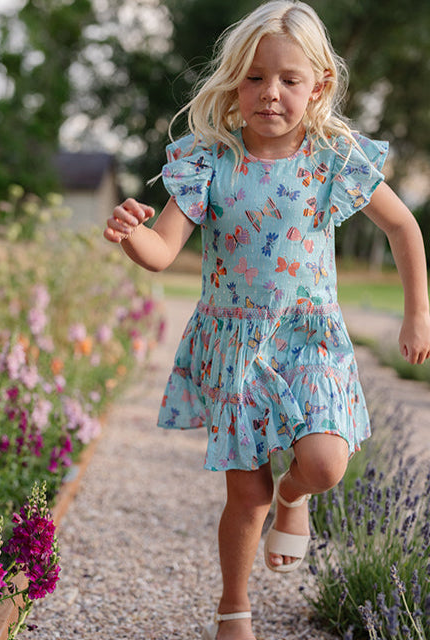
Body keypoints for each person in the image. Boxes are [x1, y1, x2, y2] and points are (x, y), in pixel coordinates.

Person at [104, 1, 430, 638]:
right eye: (253, 78)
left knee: (326, 463)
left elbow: (402, 226)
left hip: (311, 339)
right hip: (235, 348)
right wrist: (130, 237)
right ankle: (234, 606)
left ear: (319, 86)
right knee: (244, 494)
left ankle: (296, 496)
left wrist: (418, 312)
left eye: (288, 79)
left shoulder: (333, 157)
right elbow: (163, 249)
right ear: (232, 85)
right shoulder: (210, 160)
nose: (270, 93)